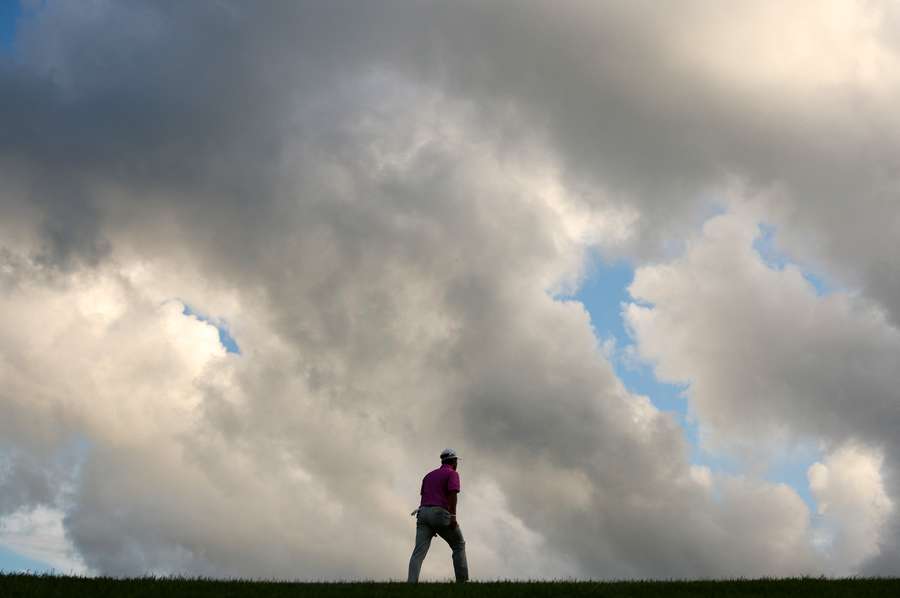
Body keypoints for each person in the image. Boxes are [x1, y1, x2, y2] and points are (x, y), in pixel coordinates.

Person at [407, 448, 469, 583]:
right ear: (453, 461)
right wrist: (453, 516)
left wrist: (431, 525)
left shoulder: (428, 475)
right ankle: (463, 582)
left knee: (418, 552)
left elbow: (424, 496)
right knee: (458, 545)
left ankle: (411, 583)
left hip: (423, 513)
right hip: (439, 513)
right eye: (456, 461)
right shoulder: (452, 474)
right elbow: (453, 495)